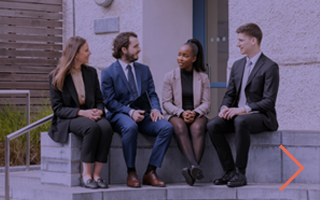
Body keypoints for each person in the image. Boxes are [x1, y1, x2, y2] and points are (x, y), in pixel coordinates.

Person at [207, 23, 280, 187]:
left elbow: (269, 101)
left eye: (241, 40)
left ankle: (241, 173)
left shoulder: (270, 66)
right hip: (237, 115)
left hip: (259, 116)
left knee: (241, 120)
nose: (237, 43)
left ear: (253, 40)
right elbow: (230, 94)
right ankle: (229, 171)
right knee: (212, 125)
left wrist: (243, 109)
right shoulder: (237, 65)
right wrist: (224, 108)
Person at [100, 32, 174, 188]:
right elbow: (110, 102)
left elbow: (152, 93)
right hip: (120, 115)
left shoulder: (144, 70)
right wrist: (130, 112)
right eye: (136, 46)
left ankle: (150, 171)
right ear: (124, 49)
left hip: (145, 115)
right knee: (130, 126)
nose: (140, 49)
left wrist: (155, 109)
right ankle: (131, 171)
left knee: (167, 127)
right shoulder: (108, 73)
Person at [48, 36, 114, 189]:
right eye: (86, 50)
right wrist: (82, 113)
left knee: (106, 127)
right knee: (92, 128)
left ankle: (97, 175)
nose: (90, 53)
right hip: (70, 117)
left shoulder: (91, 72)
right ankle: (86, 175)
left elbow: (99, 98)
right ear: (75, 54)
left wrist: (98, 111)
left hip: (91, 113)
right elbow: (58, 109)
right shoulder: (57, 76)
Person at [161, 39, 210, 186]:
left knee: (197, 128)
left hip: (197, 114)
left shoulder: (203, 78)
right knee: (180, 127)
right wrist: (181, 113)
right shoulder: (169, 76)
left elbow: (206, 102)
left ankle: (192, 171)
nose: (180, 58)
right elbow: (166, 103)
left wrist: (194, 113)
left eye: (185, 55)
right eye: (179, 54)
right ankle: (195, 166)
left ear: (194, 58)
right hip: (176, 114)